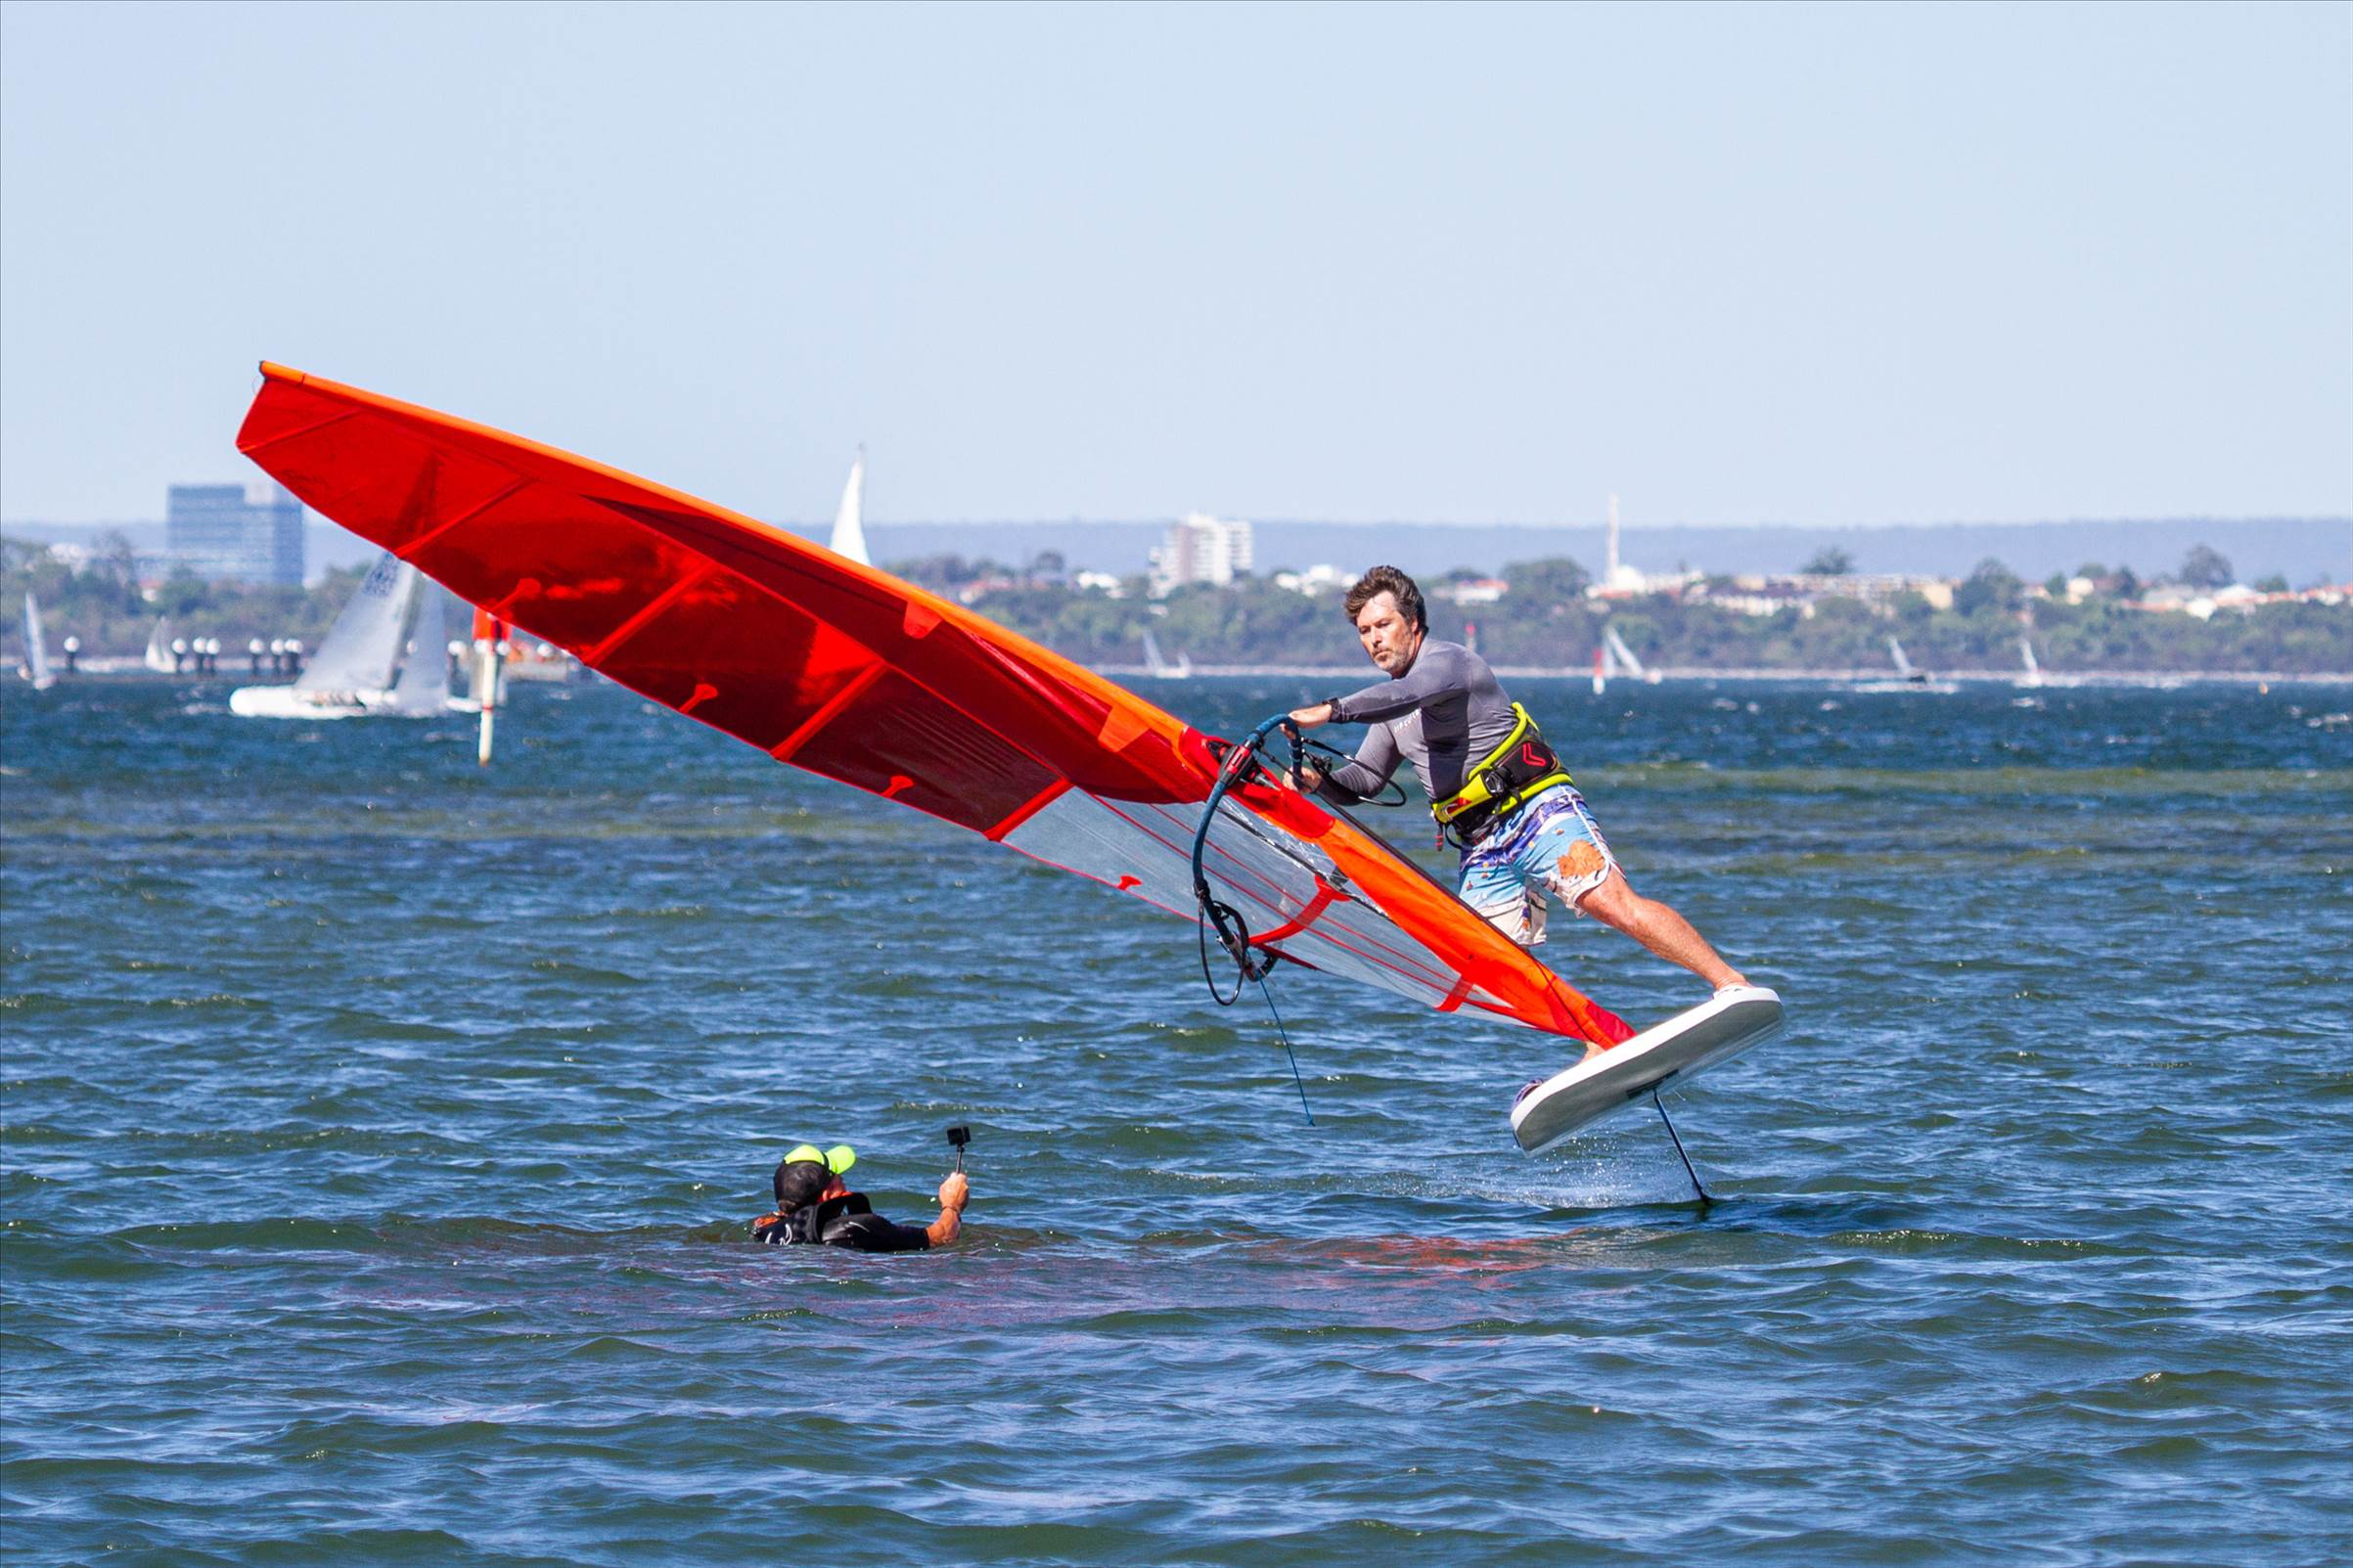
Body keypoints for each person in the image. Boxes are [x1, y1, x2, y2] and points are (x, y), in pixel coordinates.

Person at [1287, 565, 1748, 1059]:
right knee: (1489, 964)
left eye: (1384, 625)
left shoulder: (1449, 663)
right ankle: (1599, 1037)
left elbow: (1404, 695)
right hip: (1481, 844)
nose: (1375, 639)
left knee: (1609, 902)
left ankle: (1731, 984)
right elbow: (1365, 780)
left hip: (1534, 808)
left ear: (1414, 622)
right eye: (1364, 631)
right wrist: (1321, 782)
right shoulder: (1392, 708)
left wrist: (1330, 710)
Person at [750, 1142, 968, 1252]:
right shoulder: (859, 1227)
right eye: (839, 1179)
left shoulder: (765, 1227)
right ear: (827, 1195)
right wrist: (952, 1205)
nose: (844, 1181)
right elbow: (942, 1237)